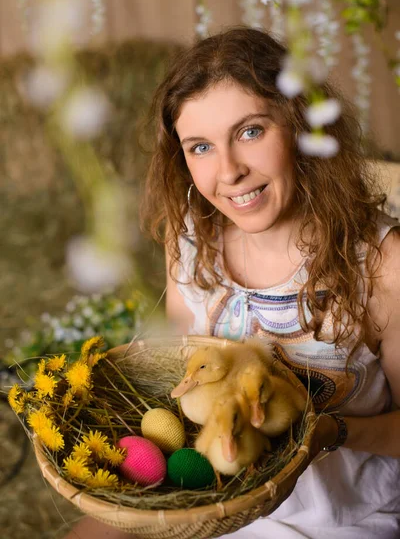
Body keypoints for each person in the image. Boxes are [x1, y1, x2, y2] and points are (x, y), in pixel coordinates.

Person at [64, 27, 400, 539]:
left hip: (340, 519)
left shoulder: (382, 263)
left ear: (298, 124)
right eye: (200, 147)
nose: (230, 173)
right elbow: (184, 382)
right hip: (215, 502)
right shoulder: (191, 241)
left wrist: (330, 433)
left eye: (250, 132)